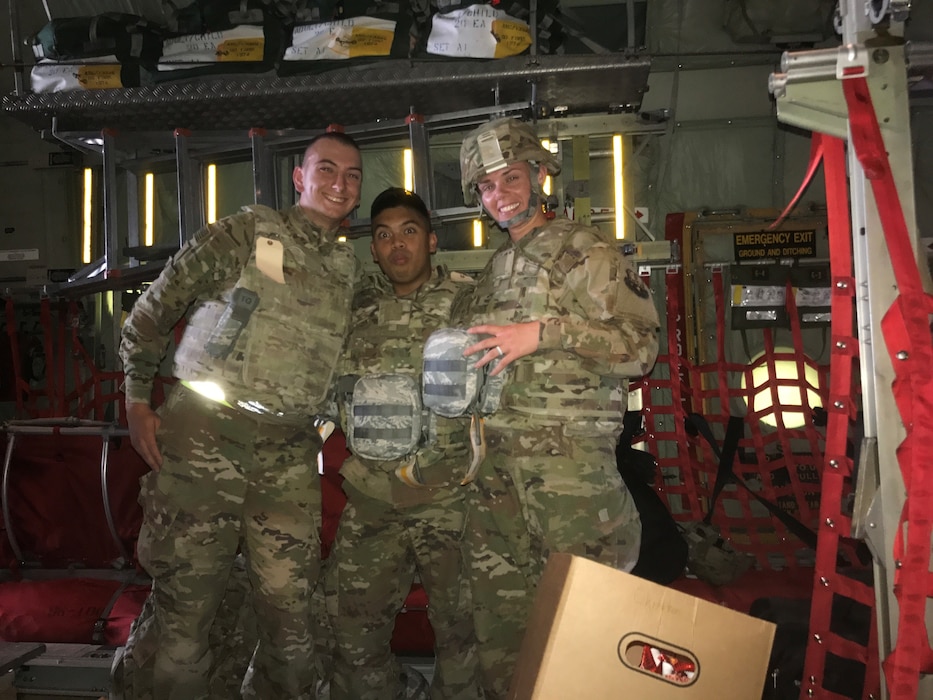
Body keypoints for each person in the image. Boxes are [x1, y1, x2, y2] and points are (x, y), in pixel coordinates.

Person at [117, 131, 363, 699]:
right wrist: (135, 401)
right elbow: (154, 310)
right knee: (187, 607)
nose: (339, 183)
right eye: (326, 169)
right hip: (206, 432)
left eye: (351, 175)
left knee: (291, 612)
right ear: (300, 178)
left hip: (288, 451)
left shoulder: (348, 270)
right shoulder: (248, 232)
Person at [452, 117, 661, 698]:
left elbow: (641, 347)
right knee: (506, 643)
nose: (501, 195)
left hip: (570, 480)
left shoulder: (586, 251)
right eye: (488, 187)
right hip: (495, 480)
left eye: (511, 177)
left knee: (589, 645)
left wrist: (545, 333)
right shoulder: (492, 270)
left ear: (539, 175)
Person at [329, 188, 482, 700]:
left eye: (409, 232)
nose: (397, 246)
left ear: (432, 241)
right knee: (349, 626)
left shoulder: (469, 301)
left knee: (462, 632)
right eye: (384, 236)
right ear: (372, 249)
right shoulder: (354, 310)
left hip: (449, 498)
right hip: (372, 498)